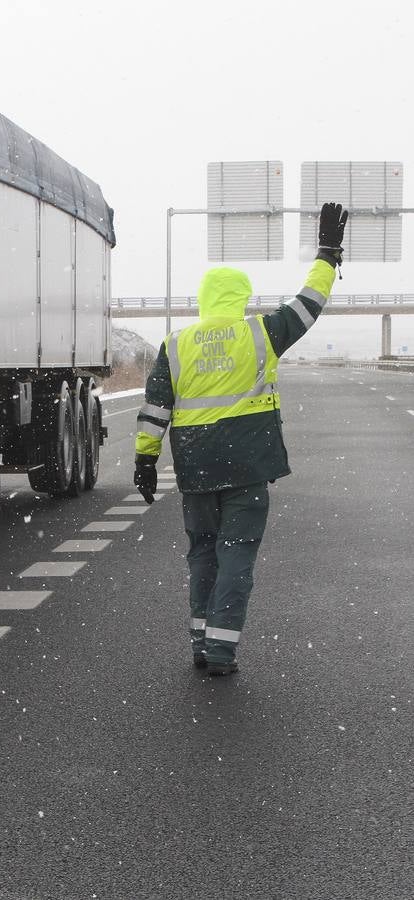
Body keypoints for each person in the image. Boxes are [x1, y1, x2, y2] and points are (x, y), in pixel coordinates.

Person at [134, 202, 349, 676]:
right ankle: (221, 652)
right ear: (241, 299)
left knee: (202, 557)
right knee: (237, 560)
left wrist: (145, 461)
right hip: (248, 467)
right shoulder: (262, 334)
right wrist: (328, 253)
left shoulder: (176, 344)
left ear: (204, 299)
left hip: (196, 472)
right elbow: (309, 302)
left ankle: (199, 641)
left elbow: (154, 411)